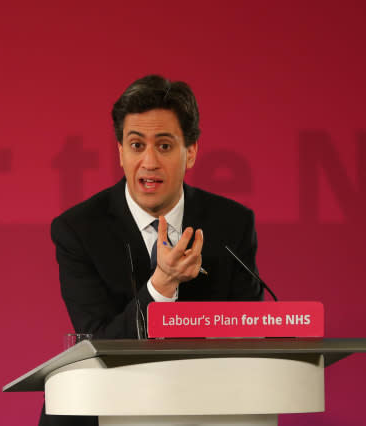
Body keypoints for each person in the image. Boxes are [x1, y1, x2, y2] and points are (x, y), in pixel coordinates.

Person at [39, 75, 262, 426]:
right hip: (105, 404)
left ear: (191, 152)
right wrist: (161, 286)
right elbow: (97, 343)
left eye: (164, 146)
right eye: (136, 145)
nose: (149, 162)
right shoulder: (79, 229)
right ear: (120, 152)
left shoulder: (231, 224)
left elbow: (249, 332)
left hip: (205, 404)